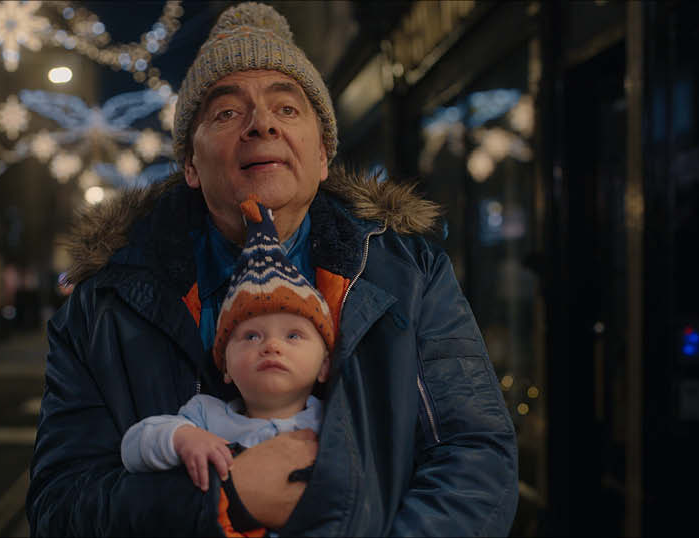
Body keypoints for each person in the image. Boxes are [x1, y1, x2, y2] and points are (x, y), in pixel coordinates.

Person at [26, 2, 519, 536]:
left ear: (324, 155)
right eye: (226, 113)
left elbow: (475, 459)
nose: (261, 124)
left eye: (286, 109)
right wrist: (224, 502)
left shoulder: (407, 275)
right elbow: (61, 507)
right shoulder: (104, 308)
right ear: (190, 164)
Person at [120, 199, 332, 502]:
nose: (272, 346)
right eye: (251, 336)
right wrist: (182, 438)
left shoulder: (335, 420)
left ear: (325, 365)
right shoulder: (205, 416)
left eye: (293, 336)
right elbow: (133, 447)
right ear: (226, 367)